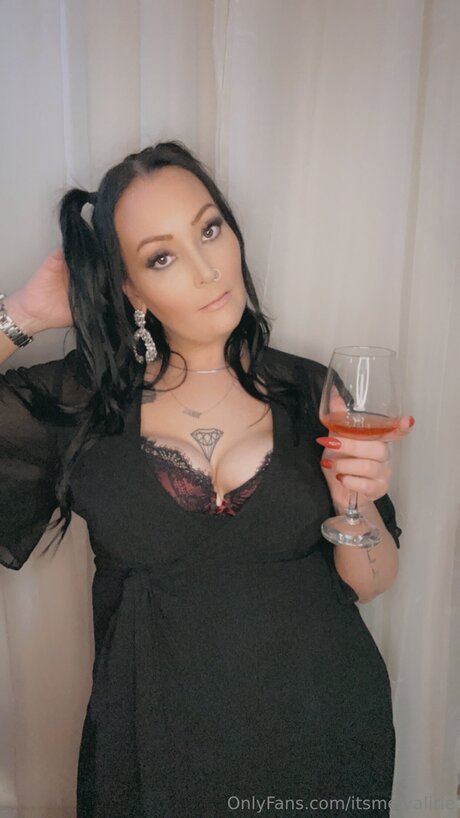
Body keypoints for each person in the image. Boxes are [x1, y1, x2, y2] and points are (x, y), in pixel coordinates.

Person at [0, 140, 413, 817]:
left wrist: (357, 504)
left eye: (210, 229)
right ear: (131, 289)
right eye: (161, 257)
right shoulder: (84, 401)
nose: (205, 269)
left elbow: (370, 582)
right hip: (151, 755)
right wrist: (26, 314)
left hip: (322, 738)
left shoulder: (311, 389)